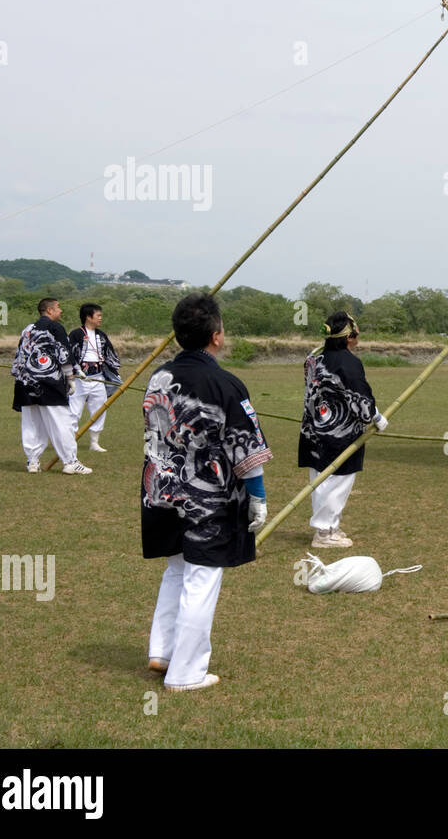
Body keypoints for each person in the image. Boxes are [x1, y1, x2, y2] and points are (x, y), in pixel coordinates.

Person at [142, 293, 272, 691]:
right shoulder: (226, 384)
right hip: (206, 501)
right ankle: (186, 673)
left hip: (160, 491)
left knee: (176, 570)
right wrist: (259, 497)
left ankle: (162, 652)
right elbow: (246, 450)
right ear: (216, 336)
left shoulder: (158, 377)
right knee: (201, 578)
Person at [298, 312, 388, 548]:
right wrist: (375, 416)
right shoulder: (349, 363)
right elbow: (358, 396)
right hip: (340, 435)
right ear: (349, 336)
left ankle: (328, 527)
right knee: (337, 483)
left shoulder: (313, 359)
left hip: (313, 432)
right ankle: (324, 533)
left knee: (320, 481)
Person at [11, 297, 90, 475]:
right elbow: (64, 354)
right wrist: (71, 377)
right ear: (49, 311)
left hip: (25, 382)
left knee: (31, 423)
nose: (60, 311)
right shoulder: (55, 328)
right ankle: (70, 461)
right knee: (61, 422)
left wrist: (18, 376)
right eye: (58, 307)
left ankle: (33, 461)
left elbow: (19, 355)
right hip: (49, 382)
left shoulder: (27, 329)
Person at [67, 302, 121, 453]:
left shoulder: (101, 335)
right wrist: (77, 370)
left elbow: (110, 354)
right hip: (80, 379)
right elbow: (68, 354)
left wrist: (114, 372)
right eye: (98, 315)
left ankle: (94, 442)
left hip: (98, 378)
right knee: (74, 411)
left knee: (99, 409)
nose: (100, 318)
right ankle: (70, 441)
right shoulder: (76, 334)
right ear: (88, 317)